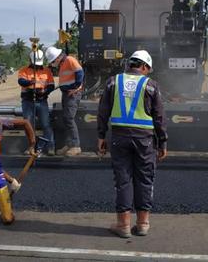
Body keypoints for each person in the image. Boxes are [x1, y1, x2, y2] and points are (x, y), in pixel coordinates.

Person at [97, 50, 168, 238]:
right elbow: (159, 117)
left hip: (119, 138)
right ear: (144, 66)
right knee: (145, 179)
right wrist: (163, 142)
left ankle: (123, 226)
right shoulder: (151, 85)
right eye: (148, 69)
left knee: (123, 180)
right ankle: (143, 224)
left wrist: (101, 136)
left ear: (130, 64)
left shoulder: (113, 81)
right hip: (144, 140)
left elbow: (103, 110)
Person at [45, 46, 84, 156]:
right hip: (66, 94)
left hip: (72, 94)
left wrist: (76, 87)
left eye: (53, 61)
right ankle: (69, 144)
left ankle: (76, 146)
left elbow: (80, 73)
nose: (53, 64)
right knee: (66, 119)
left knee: (69, 118)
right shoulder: (63, 64)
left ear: (57, 58)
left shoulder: (70, 60)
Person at [18, 49, 55, 156]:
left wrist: (45, 92)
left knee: (46, 124)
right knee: (29, 125)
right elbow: (21, 81)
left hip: (42, 100)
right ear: (30, 60)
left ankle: (50, 147)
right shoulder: (24, 70)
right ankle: (31, 147)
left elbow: (51, 85)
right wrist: (30, 82)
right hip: (28, 101)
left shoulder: (47, 70)